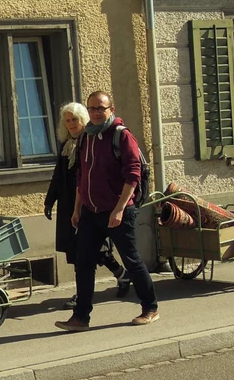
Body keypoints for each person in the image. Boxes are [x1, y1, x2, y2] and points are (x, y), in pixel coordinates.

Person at [55, 91, 159, 332]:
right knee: (83, 263)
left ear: (111, 109)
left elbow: (133, 174)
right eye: (91, 109)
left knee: (132, 261)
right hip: (91, 212)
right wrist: (77, 208)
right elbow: (82, 175)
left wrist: (120, 209)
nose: (95, 113)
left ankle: (150, 307)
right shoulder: (86, 137)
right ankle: (81, 317)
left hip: (118, 212)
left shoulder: (121, 136)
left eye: (100, 108)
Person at [44, 102, 130, 310]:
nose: (72, 124)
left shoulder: (90, 141)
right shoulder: (67, 144)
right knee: (77, 250)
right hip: (68, 205)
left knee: (84, 250)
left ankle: (82, 295)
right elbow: (58, 175)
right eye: (68, 120)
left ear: (83, 120)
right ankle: (121, 274)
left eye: (75, 119)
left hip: (87, 202)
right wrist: (50, 200)